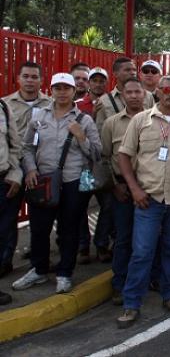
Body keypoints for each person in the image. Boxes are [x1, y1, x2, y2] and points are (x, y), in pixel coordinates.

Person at [115, 75, 170, 329]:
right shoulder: (141, 120)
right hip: (148, 199)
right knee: (142, 252)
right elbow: (124, 156)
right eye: (166, 89)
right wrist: (134, 189)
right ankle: (131, 304)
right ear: (157, 92)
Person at [13, 73, 101, 294]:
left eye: (66, 88)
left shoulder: (84, 120)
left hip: (72, 181)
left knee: (68, 228)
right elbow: (27, 147)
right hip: (43, 179)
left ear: (74, 91)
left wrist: (81, 137)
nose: (62, 92)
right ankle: (39, 270)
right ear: (50, 90)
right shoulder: (39, 117)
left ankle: (64, 273)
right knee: (40, 228)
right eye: (57, 88)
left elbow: (97, 153)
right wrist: (31, 169)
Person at [1, 61, 51, 277]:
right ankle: (5, 260)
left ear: (41, 80)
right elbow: (10, 142)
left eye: (34, 77)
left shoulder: (51, 103)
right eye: (26, 76)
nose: (30, 81)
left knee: (41, 214)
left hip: (42, 166)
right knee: (9, 216)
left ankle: (38, 255)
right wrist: (15, 170)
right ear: (18, 79)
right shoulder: (5, 104)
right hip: (14, 167)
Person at [100, 78, 147, 305]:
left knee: (149, 238)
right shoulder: (111, 123)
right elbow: (104, 157)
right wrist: (113, 185)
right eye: (130, 92)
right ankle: (119, 283)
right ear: (123, 95)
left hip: (150, 186)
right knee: (123, 237)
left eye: (138, 92)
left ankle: (150, 280)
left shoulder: (155, 119)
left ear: (144, 94)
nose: (135, 96)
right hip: (122, 188)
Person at [76, 67, 115, 264]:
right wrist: (91, 113)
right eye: (95, 80)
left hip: (103, 164)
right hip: (84, 166)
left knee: (107, 205)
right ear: (89, 83)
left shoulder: (111, 102)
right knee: (81, 205)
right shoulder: (78, 105)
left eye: (102, 81)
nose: (98, 84)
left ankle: (101, 243)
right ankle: (83, 246)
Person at [0, 94, 22, 304]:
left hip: (2, 180)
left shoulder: (3, 108)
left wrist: (15, 174)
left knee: (2, 234)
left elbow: (15, 146)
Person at [94, 57, 154, 134]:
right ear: (115, 74)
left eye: (134, 70)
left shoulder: (148, 96)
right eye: (127, 70)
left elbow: (154, 123)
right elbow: (100, 131)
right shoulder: (104, 100)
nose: (132, 73)